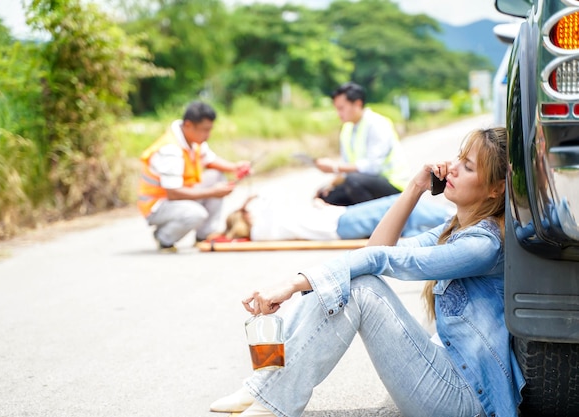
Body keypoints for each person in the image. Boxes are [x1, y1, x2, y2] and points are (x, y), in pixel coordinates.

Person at [210, 127, 525, 417]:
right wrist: (415, 188)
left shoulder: (484, 245)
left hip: (464, 399)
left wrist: (294, 284)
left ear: (497, 189)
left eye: (468, 167)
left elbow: (380, 260)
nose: (452, 167)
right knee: (349, 280)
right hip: (448, 374)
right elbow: (378, 247)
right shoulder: (455, 228)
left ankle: (270, 400)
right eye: (458, 157)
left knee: (359, 288)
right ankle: (263, 387)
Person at [137, 101, 250, 251]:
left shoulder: (192, 140)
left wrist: (235, 167)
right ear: (189, 125)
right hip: (158, 205)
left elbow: (210, 160)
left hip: (178, 194)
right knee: (196, 214)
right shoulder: (170, 149)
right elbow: (173, 193)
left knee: (217, 176)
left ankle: (204, 236)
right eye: (204, 130)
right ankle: (164, 237)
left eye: (210, 130)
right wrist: (213, 192)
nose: (207, 135)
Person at [315, 82, 411, 206]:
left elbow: (372, 168)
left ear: (358, 104)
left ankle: (376, 222)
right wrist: (329, 185)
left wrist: (335, 167)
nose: (338, 113)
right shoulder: (347, 129)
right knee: (326, 196)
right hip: (363, 182)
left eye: (341, 108)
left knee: (353, 181)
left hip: (393, 185)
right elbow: (347, 170)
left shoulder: (377, 124)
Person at [223, 193, 453, 241]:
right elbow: (267, 199)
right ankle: (449, 216)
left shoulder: (266, 225)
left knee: (401, 216)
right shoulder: (261, 229)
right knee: (398, 203)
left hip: (339, 218)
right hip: (340, 223)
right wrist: (247, 203)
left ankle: (445, 227)